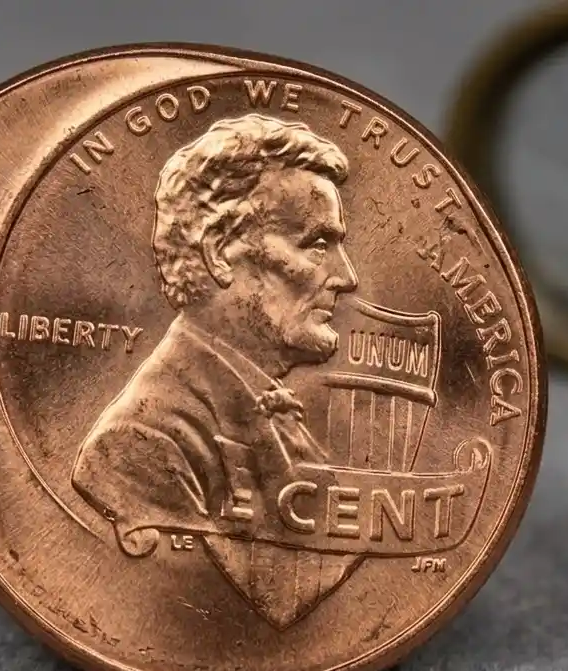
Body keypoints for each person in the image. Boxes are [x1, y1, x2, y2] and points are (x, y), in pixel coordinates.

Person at [71, 113, 360, 629]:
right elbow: (220, 614)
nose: (346, 276)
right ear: (221, 251)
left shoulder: (269, 409)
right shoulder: (139, 441)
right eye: (318, 244)